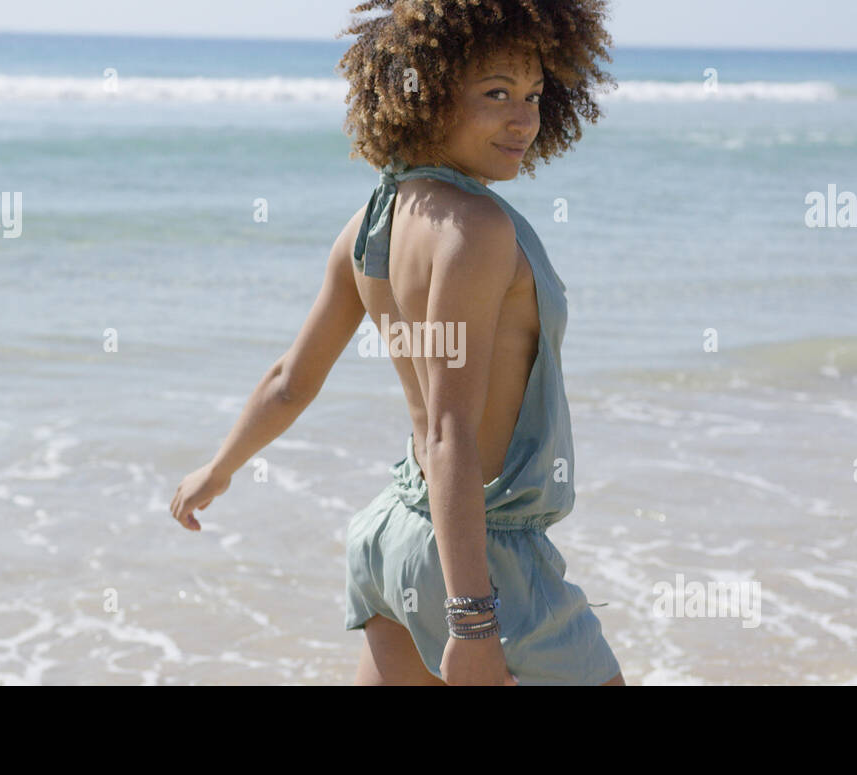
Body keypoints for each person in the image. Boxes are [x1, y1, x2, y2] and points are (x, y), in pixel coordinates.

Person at [171, 0, 622, 686]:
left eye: (533, 94)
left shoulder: (369, 224)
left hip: (398, 535)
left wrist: (219, 466)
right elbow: (450, 432)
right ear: (429, 92)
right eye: (496, 92)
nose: (524, 118)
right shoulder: (475, 229)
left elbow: (292, 378)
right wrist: (472, 619)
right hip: (483, 557)